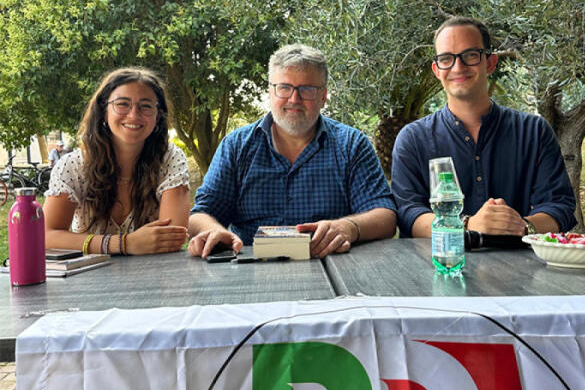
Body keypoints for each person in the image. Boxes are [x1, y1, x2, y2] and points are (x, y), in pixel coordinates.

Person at [188, 44, 397, 258]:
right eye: (284, 88)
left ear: (323, 96)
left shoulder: (351, 145)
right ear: (270, 92)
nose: (294, 99)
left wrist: (349, 227)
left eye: (306, 90)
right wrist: (214, 231)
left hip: (333, 264)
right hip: (251, 266)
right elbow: (200, 214)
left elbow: (386, 216)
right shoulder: (236, 147)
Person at [391, 17, 576, 238]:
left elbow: (559, 206)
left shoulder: (534, 132)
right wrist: (467, 226)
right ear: (437, 70)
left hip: (521, 260)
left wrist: (519, 226)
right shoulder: (413, 139)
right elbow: (408, 213)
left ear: (490, 63)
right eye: (446, 58)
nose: (458, 67)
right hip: (440, 259)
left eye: (470, 55)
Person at [44, 67, 190, 255]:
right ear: (104, 111)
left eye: (146, 106)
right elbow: (46, 236)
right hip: (92, 274)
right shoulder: (73, 165)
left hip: (156, 272)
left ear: (158, 115)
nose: (134, 115)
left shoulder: (170, 159)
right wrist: (124, 244)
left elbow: (172, 238)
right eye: (122, 104)